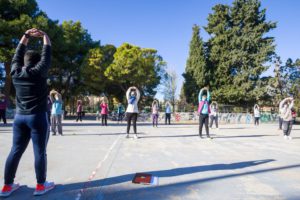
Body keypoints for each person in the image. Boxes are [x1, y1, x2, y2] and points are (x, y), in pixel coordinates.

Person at [0, 28, 54, 198]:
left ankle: (7, 187)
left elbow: (17, 54)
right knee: (39, 152)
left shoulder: (15, 72)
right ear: (37, 62)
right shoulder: (40, 72)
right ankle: (40, 185)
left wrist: (25, 36)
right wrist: (45, 36)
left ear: (24, 62)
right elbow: (47, 53)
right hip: (37, 117)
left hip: (19, 118)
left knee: (15, 150)